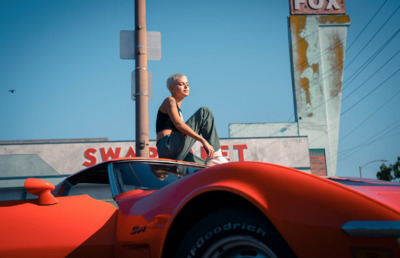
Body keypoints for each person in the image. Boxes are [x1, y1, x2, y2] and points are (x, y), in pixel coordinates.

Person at [156, 73, 228, 166]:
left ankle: (214, 165)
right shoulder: (170, 100)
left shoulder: (179, 110)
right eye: (181, 84)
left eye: (187, 84)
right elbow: (179, 124)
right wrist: (203, 140)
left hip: (174, 153)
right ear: (171, 89)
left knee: (205, 167)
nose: (186, 86)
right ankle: (216, 155)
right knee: (204, 112)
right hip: (167, 146)